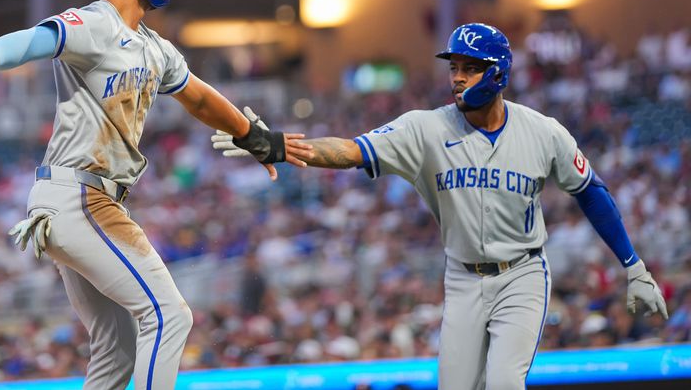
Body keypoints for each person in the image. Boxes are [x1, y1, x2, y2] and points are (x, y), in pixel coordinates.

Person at [0, 0, 311, 390]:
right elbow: (38, 38)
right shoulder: (97, 23)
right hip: (78, 196)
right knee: (171, 316)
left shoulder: (156, 49)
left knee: (117, 346)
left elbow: (199, 98)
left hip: (86, 201)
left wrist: (252, 135)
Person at [213, 23, 668, 389]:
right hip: (463, 277)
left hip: (523, 273)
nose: (457, 77)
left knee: (506, 383)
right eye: (454, 67)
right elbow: (350, 150)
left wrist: (633, 264)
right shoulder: (425, 129)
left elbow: (591, 190)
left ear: (498, 72)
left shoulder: (543, 131)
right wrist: (282, 148)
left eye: (470, 68)